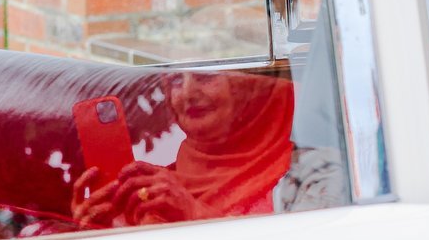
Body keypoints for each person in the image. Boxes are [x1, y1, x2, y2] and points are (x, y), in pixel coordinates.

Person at [70, 69, 294, 227]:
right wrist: (103, 232)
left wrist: (195, 214)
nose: (188, 92)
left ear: (248, 89)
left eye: (205, 76)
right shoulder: (155, 189)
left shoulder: (301, 175)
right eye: (176, 80)